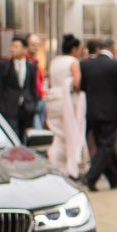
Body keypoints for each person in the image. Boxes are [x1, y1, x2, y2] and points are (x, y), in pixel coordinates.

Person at [79, 41, 117, 191]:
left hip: (93, 112)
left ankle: (113, 180)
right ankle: (91, 178)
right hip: (110, 113)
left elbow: (82, 86)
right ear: (113, 49)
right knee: (106, 146)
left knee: (103, 145)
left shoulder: (86, 65)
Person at [45, 33, 86, 178]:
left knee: (58, 133)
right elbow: (76, 83)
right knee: (70, 132)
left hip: (52, 99)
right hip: (66, 100)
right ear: (74, 49)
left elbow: (49, 82)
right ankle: (71, 164)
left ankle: (56, 162)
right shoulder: (73, 61)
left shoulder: (54, 61)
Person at [0, 35, 41, 142]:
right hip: (9, 108)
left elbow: (33, 88)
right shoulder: (5, 65)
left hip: (27, 108)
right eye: (12, 46)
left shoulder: (31, 66)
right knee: (13, 137)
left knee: (27, 138)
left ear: (24, 49)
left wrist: (33, 104)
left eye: (16, 47)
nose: (12, 49)